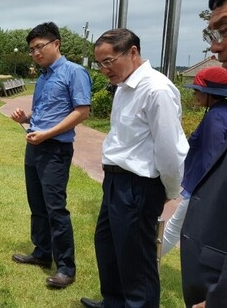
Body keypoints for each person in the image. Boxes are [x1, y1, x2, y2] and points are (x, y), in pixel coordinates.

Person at [80, 28, 188, 308]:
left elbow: (170, 148)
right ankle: (113, 302)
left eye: (108, 61)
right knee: (108, 246)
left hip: (139, 185)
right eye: (99, 64)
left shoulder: (156, 89)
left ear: (133, 52)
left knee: (136, 259)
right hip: (116, 181)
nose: (104, 70)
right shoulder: (124, 87)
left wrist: (169, 189)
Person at [10, 22, 91, 289]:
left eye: (39, 47)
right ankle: (42, 253)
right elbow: (46, 111)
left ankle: (66, 267)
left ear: (56, 44)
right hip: (34, 147)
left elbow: (81, 111)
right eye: (31, 49)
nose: (35, 53)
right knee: (37, 204)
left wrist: (47, 134)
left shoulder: (74, 73)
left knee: (56, 208)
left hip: (55, 149)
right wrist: (27, 117)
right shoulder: (44, 76)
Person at [181, 0, 227, 308]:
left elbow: (211, 159)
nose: (215, 46)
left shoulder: (215, 118)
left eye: (224, 30)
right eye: (213, 33)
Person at [161, 66, 227, 258]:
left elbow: (211, 156)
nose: (195, 95)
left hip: (203, 188)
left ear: (210, 94)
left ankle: (146, 268)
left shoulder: (215, 117)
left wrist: (206, 192)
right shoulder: (221, 112)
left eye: (198, 90)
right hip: (210, 188)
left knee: (175, 228)